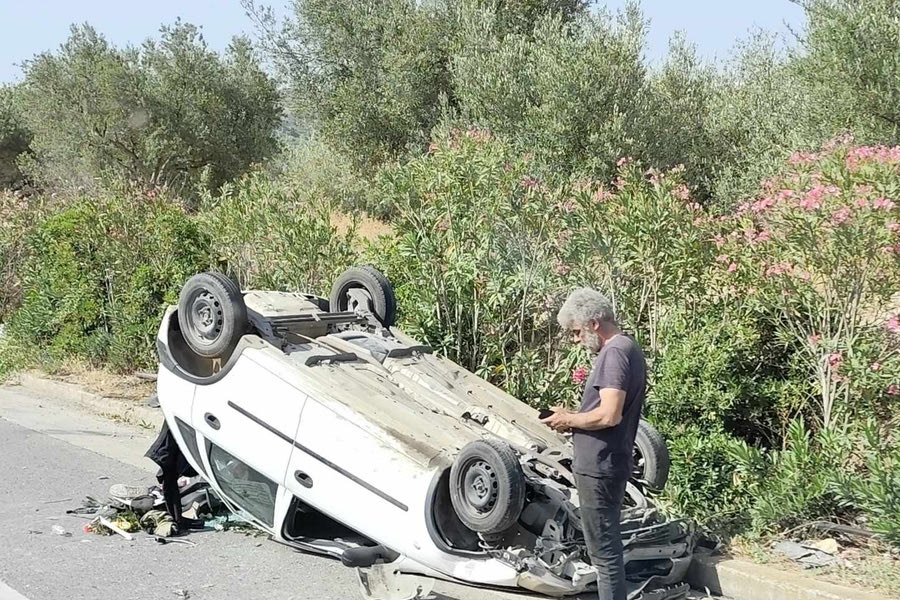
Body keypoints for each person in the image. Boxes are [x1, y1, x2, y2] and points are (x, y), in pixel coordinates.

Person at [540, 288, 647, 600]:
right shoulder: (627, 348)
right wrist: (571, 415)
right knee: (606, 548)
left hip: (599, 465)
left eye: (576, 332)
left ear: (594, 323)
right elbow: (605, 412)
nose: (575, 340)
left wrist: (569, 421)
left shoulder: (614, 353)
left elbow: (610, 414)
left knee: (604, 554)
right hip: (608, 461)